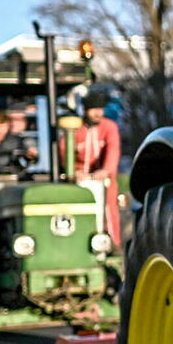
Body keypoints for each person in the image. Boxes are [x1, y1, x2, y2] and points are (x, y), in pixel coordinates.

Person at [60, 94, 122, 246]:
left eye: (100, 109)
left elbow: (113, 150)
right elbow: (64, 151)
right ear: (85, 110)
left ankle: (112, 244)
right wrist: (74, 171)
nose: (97, 113)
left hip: (103, 179)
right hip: (80, 179)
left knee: (109, 210)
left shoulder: (109, 127)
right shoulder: (76, 128)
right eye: (93, 109)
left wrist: (106, 170)